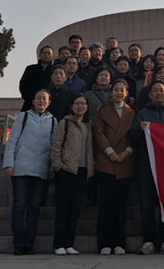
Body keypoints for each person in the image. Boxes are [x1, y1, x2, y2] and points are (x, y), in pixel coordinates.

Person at [130, 81, 164, 255]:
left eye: (162, 90)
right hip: (147, 167)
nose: (159, 93)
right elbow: (133, 136)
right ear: (150, 94)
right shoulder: (143, 113)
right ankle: (148, 241)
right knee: (147, 206)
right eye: (155, 91)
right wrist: (139, 128)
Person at [3, 89, 56, 255]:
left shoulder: (53, 121)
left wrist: (52, 168)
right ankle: (18, 243)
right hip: (20, 168)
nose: (41, 101)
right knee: (19, 205)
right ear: (33, 101)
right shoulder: (23, 117)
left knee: (34, 207)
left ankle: (29, 243)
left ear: (49, 102)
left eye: (44, 99)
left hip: (41, 170)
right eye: (38, 98)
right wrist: (9, 164)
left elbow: (54, 147)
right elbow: (12, 141)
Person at [93, 80, 137, 256]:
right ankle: (104, 243)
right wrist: (110, 152)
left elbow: (135, 135)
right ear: (111, 92)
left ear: (127, 93)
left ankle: (119, 243)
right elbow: (99, 133)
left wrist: (127, 152)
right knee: (105, 205)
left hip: (126, 161)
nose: (119, 93)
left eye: (122, 90)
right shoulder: (102, 111)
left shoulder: (133, 112)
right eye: (116, 90)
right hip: (106, 161)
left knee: (121, 206)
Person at [51, 94, 94, 255]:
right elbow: (56, 146)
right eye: (77, 103)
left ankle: (69, 243)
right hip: (67, 170)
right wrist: (59, 166)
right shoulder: (65, 123)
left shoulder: (89, 125)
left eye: (83, 103)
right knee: (63, 208)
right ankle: (59, 244)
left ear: (87, 107)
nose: (80, 106)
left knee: (75, 209)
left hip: (83, 171)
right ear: (71, 106)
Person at [18, 46, 55, 112]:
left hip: (50, 105)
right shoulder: (30, 69)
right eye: (45, 53)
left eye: (49, 53)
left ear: (52, 56)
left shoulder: (55, 70)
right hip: (30, 104)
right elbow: (23, 84)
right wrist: (30, 97)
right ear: (40, 55)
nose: (46, 55)